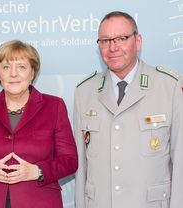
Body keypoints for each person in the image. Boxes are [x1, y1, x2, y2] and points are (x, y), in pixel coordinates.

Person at [74, 11, 183, 208]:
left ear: (138, 41)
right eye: (105, 40)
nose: (113, 47)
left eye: (122, 38)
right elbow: (81, 168)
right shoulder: (84, 91)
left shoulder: (170, 86)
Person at [0, 40, 78, 208]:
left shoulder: (54, 106)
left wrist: (37, 171)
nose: (13, 74)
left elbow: (70, 161)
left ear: (32, 73)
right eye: (6, 67)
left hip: (40, 202)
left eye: (21, 67)